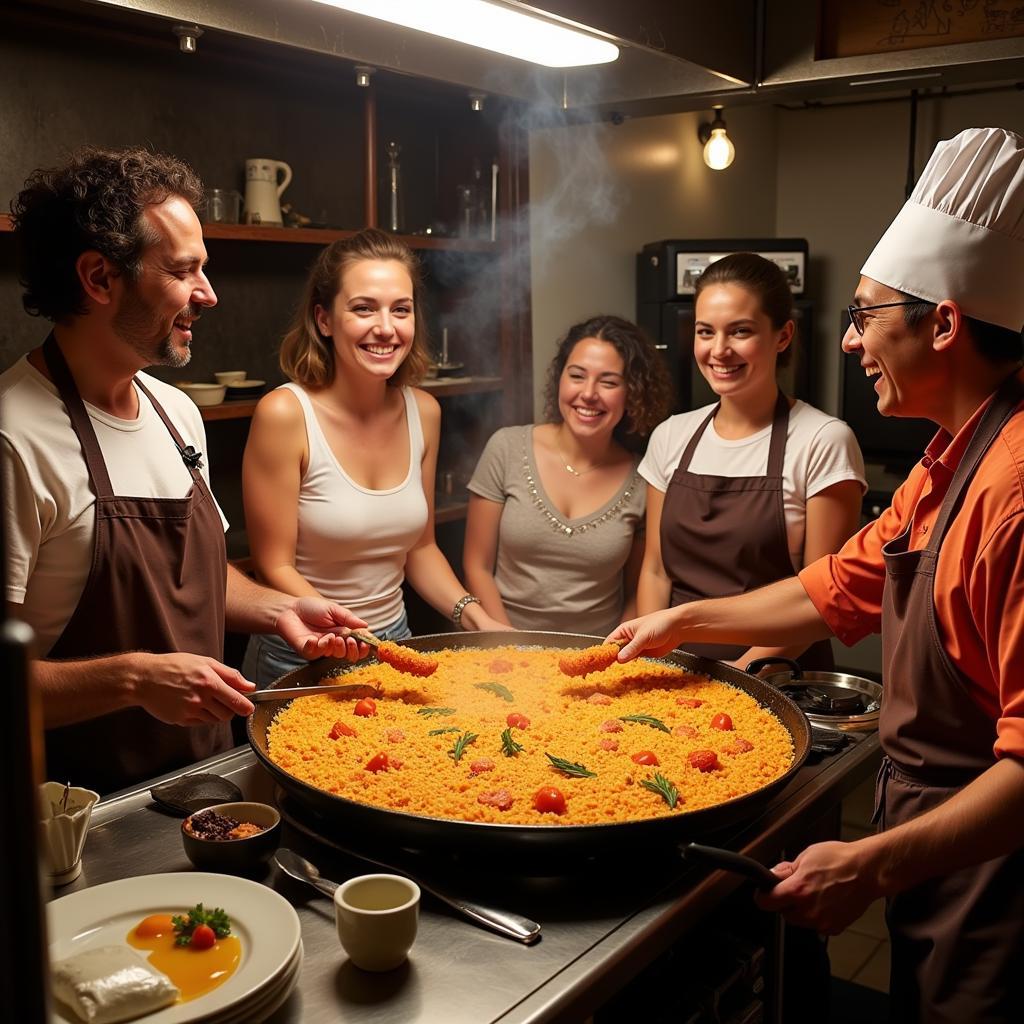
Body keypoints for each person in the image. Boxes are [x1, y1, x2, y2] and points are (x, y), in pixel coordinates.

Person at [611, 127, 1024, 1023]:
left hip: (997, 866)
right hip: (935, 842)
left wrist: (874, 862)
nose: (851, 342)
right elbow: (831, 585)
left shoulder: (1017, 490)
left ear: (943, 321)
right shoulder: (947, 460)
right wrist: (682, 624)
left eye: (867, 316)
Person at [1, 147, 370, 795]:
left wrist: (283, 609)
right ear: (99, 278)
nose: (209, 293)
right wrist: (136, 680)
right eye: (183, 271)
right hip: (80, 808)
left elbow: (191, 580)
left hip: (205, 778)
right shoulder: (15, 438)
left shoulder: (175, 412)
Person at [242, 228, 506, 684]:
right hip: (302, 650)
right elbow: (274, 564)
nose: (386, 328)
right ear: (324, 320)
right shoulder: (285, 414)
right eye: (364, 308)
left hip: (395, 643)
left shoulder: (424, 411)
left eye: (400, 310)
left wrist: (476, 617)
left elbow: (420, 549)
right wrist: (344, 633)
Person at [636, 252, 865, 669]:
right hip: (675, 670)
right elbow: (655, 570)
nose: (719, 350)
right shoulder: (671, 436)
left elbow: (818, 601)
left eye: (740, 331)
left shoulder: (823, 441)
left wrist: (739, 679)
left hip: (778, 679)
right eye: (706, 332)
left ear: (782, 335)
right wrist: (652, 666)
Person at [463, 315, 670, 635]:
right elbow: (477, 567)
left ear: (632, 393)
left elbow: (637, 591)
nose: (588, 393)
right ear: (560, 379)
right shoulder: (506, 447)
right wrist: (508, 643)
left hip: (595, 661)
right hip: (500, 646)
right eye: (577, 376)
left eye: (609, 382)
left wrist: (612, 655)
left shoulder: (644, 479)